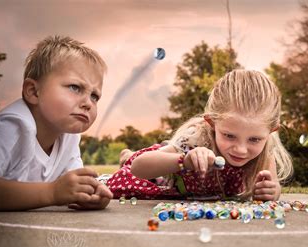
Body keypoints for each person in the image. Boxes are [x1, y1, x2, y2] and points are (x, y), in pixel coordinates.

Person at [107, 69, 293, 201]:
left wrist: (272, 191)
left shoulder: (265, 154)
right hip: (161, 172)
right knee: (123, 177)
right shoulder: (196, 139)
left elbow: (274, 188)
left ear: (270, 132)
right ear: (212, 124)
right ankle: (128, 155)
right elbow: (139, 169)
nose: (241, 149)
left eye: (254, 139)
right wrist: (185, 160)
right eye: (229, 136)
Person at [0, 35, 113, 211]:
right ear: (33, 92)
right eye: (75, 87)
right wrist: (51, 193)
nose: (88, 103)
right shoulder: (12, 126)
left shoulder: (70, 136)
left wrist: (90, 192)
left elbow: (72, 182)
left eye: (95, 96)